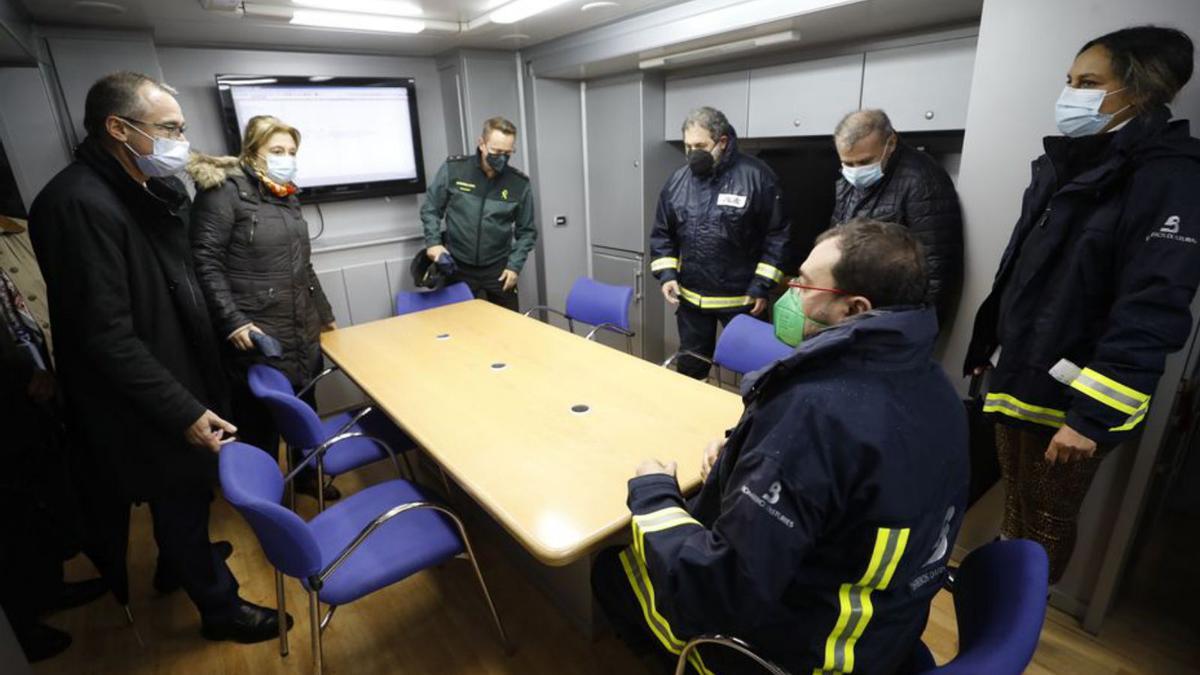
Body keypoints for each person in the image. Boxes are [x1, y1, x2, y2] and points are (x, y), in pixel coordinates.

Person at [594, 218, 968, 674]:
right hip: (883, 632)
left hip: (800, 655)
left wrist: (653, 489)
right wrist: (741, 457)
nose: (789, 293)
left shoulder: (815, 412)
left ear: (853, 309)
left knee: (612, 568)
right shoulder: (934, 386)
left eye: (806, 285)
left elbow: (718, 592)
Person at [29, 71, 290, 643]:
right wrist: (183, 410)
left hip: (182, 376)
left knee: (189, 500)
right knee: (176, 497)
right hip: (148, 400)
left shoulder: (145, 192)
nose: (181, 139)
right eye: (169, 128)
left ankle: (180, 562)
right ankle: (221, 610)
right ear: (118, 129)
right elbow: (105, 336)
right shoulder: (77, 205)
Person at [964, 26, 1200, 584]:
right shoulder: (1066, 161)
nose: (1072, 94)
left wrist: (1092, 417)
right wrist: (985, 343)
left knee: (1047, 518)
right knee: (1017, 503)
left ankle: (1019, 618)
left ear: (1140, 92)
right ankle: (999, 604)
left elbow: (1155, 303)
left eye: (1089, 82)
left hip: (1077, 397)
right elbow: (1021, 268)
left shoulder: (1169, 177)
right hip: (1021, 372)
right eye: (1070, 81)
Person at [189, 115, 339, 502]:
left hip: (300, 327)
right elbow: (204, 262)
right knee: (261, 424)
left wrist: (325, 313)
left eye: (291, 151)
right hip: (256, 333)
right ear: (252, 151)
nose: (286, 158)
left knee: (304, 410)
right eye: (276, 150)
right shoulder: (223, 192)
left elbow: (303, 266)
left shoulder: (287, 195)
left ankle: (307, 478)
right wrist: (234, 321)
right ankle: (263, 497)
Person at [650, 106, 790, 380]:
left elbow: (778, 236)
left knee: (758, 372)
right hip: (691, 301)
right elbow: (662, 233)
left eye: (700, 145)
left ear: (722, 142)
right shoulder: (677, 181)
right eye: (688, 146)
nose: (693, 154)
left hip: (743, 300)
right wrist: (666, 275)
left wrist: (761, 286)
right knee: (691, 370)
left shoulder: (757, 176)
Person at [830, 109, 963, 325]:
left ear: (890, 144)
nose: (855, 171)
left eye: (864, 162)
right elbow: (837, 234)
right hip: (855, 305)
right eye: (848, 164)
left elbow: (936, 266)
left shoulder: (923, 181)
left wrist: (918, 327)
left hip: (892, 315)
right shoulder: (850, 180)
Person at [420, 116, 536, 311]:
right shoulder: (455, 170)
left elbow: (527, 232)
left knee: (509, 330)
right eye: (497, 151)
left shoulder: (519, 183)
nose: (502, 158)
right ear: (481, 144)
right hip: (457, 267)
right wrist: (433, 244)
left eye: (508, 153)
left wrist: (514, 266)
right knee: (461, 328)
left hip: (499, 270)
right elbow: (431, 208)